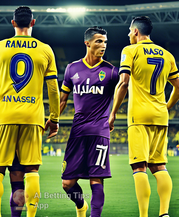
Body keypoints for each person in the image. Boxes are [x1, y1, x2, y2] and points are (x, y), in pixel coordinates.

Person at [0, 6, 60, 217]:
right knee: (30, 171)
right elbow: (53, 88)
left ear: (13, 22)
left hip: (3, 116)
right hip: (32, 117)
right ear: (33, 23)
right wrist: (54, 118)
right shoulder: (45, 49)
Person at [108, 16, 179, 217]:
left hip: (139, 116)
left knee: (139, 167)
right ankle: (164, 213)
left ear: (135, 32)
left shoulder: (130, 50)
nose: (128, 35)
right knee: (159, 165)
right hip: (160, 116)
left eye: (129, 31)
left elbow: (123, 83)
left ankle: (143, 215)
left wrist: (113, 112)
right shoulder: (167, 55)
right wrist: (165, 107)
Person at [60, 26, 118, 217]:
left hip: (100, 132)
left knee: (97, 180)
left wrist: (113, 114)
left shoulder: (111, 71)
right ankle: (81, 205)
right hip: (77, 132)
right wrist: (52, 119)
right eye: (99, 41)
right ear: (87, 43)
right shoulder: (72, 68)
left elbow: (123, 90)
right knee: (67, 183)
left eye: (105, 42)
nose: (103, 46)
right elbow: (62, 99)